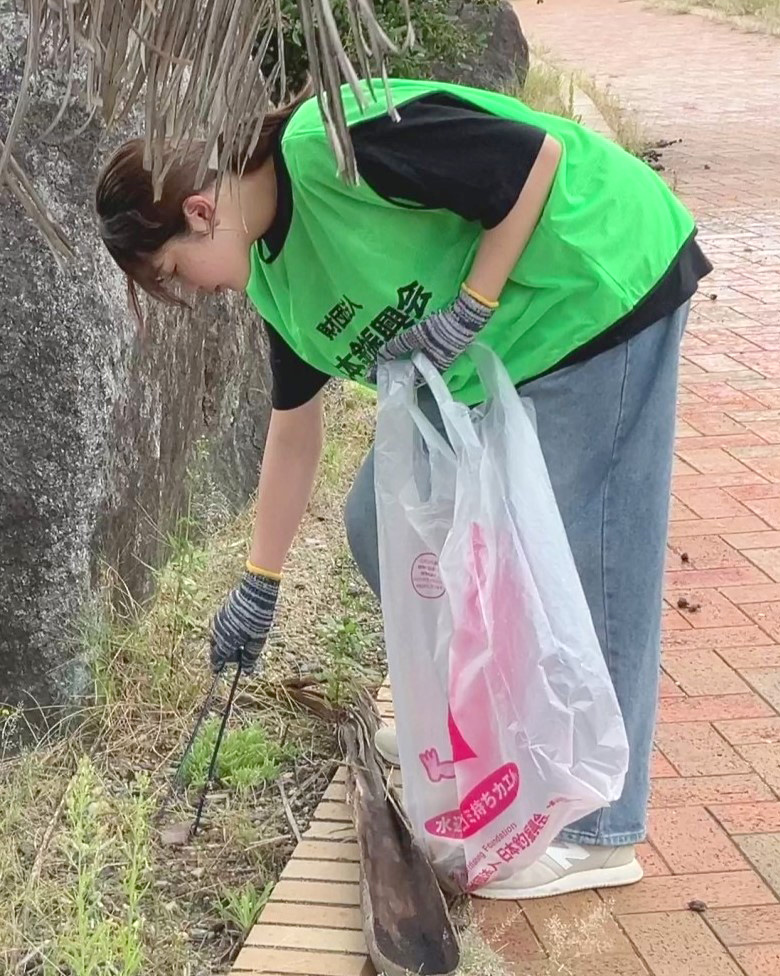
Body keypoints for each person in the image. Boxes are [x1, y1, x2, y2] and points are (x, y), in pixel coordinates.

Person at [95, 76, 711, 899]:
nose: (193, 293)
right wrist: (259, 584)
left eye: (176, 271)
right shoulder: (271, 278)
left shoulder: (335, 145)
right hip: (505, 356)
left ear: (201, 211)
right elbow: (293, 430)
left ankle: (602, 834)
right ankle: (463, 728)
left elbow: (534, 161)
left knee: (579, 555)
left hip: (597, 287)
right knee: (378, 524)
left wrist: (471, 304)